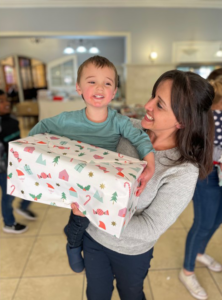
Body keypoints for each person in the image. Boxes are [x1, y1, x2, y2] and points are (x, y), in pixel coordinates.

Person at [69, 69, 215, 300]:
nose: (147, 105)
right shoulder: (128, 129)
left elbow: (150, 227)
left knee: (132, 294)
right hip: (93, 237)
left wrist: (93, 210)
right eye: (152, 96)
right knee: (96, 294)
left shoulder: (182, 170)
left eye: (160, 104)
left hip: (130, 253)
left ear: (183, 121)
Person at [28, 55, 155, 272]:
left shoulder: (119, 121)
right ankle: (73, 245)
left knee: (102, 216)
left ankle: (84, 239)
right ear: (78, 87)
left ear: (114, 91)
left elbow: (140, 138)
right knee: (80, 217)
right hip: (74, 180)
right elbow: (39, 130)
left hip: (103, 181)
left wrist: (150, 164)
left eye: (107, 83)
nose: (100, 87)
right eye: (91, 81)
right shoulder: (67, 119)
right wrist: (37, 159)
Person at [179, 69, 222, 300]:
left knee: (217, 219)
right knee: (203, 223)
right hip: (207, 174)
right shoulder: (202, 116)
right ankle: (187, 271)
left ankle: (199, 253)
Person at [0, 90, 37, 234]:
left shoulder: (13, 119)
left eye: (6, 100)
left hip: (17, 162)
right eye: (1, 101)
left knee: (30, 185)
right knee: (8, 197)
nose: (7, 103)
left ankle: (23, 206)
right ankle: (9, 223)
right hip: (4, 168)